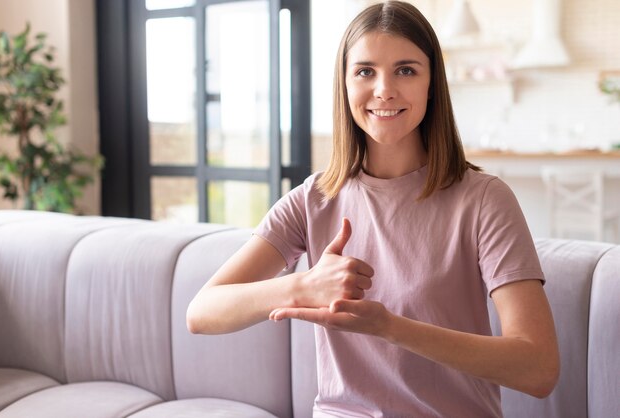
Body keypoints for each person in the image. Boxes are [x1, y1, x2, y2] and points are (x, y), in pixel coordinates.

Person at [187, 1, 560, 416]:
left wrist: (389, 328)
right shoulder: (313, 199)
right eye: (365, 71)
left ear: (432, 84)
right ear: (345, 84)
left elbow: (538, 368)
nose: (384, 89)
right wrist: (301, 286)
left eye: (406, 70)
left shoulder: (484, 199)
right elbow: (202, 312)